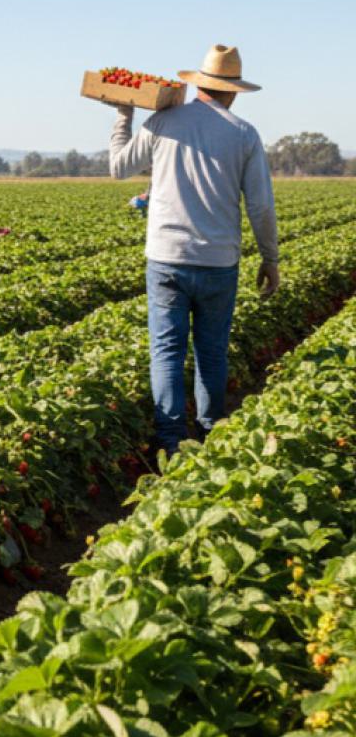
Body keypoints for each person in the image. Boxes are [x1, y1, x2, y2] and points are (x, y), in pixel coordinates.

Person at [108, 43, 279, 456]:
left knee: (166, 351)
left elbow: (118, 168)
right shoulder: (243, 133)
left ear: (200, 83)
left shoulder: (163, 120)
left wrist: (123, 114)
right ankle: (210, 434)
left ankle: (168, 442)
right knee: (211, 351)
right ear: (233, 90)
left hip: (166, 257)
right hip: (219, 262)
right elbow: (260, 204)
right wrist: (270, 258)